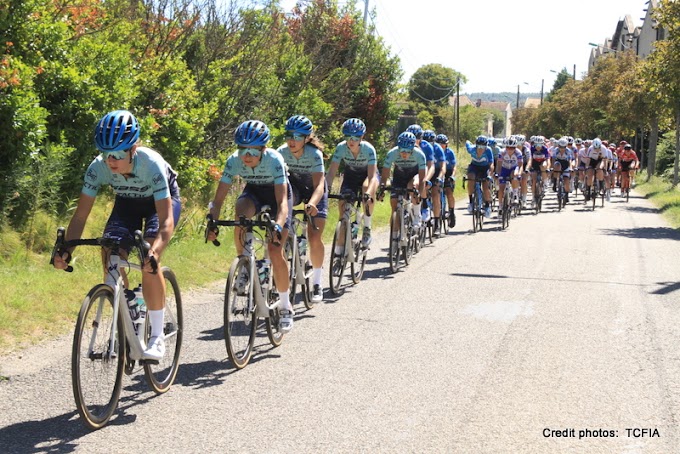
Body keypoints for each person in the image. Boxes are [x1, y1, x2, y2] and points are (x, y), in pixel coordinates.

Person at [53, 110, 181, 360]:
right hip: (127, 203)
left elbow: (166, 218)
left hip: (161, 203)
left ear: (133, 149)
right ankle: (130, 304)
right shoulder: (97, 168)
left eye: (118, 154)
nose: (111, 161)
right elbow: (80, 216)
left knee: (148, 259)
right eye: (106, 154)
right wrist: (67, 248)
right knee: (110, 250)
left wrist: (155, 252)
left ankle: (156, 337)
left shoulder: (150, 163)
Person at [207, 120, 294, 333]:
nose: (246, 156)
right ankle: (245, 263)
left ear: (263, 149)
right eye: (242, 149)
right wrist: (212, 221)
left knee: (274, 250)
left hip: (277, 196)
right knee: (241, 213)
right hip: (254, 191)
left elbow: (282, 203)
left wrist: (278, 225)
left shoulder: (274, 159)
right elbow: (218, 200)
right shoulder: (233, 161)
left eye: (253, 151)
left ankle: (285, 306)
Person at [276, 115, 327, 303]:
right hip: (295, 190)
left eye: (297, 136)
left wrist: (313, 203)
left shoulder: (314, 154)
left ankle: (317, 282)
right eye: (289, 135)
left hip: (315, 191)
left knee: (314, 236)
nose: (292, 140)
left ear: (306, 138)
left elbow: (320, 184)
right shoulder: (281, 152)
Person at [326, 118, 379, 259]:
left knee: (367, 188)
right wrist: (326, 189)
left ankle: (367, 226)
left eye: (355, 137)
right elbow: (331, 172)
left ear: (361, 137)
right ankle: (338, 251)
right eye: (348, 137)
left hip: (368, 175)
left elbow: (373, 176)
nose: (351, 141)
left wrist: (367, 193)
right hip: (350, 176)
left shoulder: (369, 149)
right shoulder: (341, 148)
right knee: (343, 211)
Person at [379, 131, 428, 235]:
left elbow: (423, 177)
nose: (404, 153)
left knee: (413, 185)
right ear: (398, 147)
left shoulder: (419, 154)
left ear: (413, 148)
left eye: (407, 150)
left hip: (414, 174)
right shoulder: (392, 153)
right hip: (399, 175)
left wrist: (419, 192)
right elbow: (384, 174)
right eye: (402, 150)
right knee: (394, 202)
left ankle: (417, 214)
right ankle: (395, 236)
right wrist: (382, 188)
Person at [422, 130, 446, 234]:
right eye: (425, 141)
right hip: (425, 172)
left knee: (435, 194)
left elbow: (443, 167)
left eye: (430, 142)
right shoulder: (422, 147)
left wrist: (440, 177)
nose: (428, 143)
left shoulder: (438, 148)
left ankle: (437, 222)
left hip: (436, 173)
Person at [465, 135, 495, 218]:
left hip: (485, 168)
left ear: (486, 146)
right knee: (470, 179)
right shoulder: (471, 149)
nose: (481, 149)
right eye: (479, 146)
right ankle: (471, 202)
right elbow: (467, 142)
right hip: (474, 167)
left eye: (483, 146)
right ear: (476, 145)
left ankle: (487, 206)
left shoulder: (488, 151)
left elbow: (491, 164)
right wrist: (468, 142)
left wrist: (489, 174)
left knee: (486, 187)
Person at [496, 136, 523, 215]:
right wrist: (498, 174)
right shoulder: (502, 152)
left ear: (515, 147)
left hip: (513, 168)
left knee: (514, 175)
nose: (510, 150)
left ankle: (515, 195)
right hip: (504, 169)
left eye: (512, 148)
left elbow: (520, 166)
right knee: (501, 188)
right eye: (508, 147)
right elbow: (499, 166)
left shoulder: (518, 153)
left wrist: (519, 175)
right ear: (506, 147)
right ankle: (500, 206)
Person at [437, 134, 457, 227]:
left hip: (448, 172)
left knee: (449, 192)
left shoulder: (450, 152)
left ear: (446, 145)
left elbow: (454, 166)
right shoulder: (435, 151)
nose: (441, 145)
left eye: (443, 144)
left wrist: (452, 176)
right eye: (439, 144)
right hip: (437, 171)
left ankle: (452, 212)